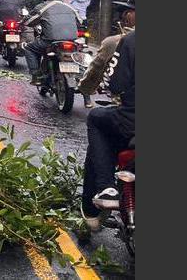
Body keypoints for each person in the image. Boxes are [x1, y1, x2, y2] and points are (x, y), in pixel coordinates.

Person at [79, 12, 135, 232]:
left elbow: (115, 83)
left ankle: (105, 190)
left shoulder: (124, 41)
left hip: (131, 122)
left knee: (96, 118)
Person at [22, 0, 79, 85]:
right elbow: (80, 22)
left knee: (29, 48)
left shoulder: (42, 7)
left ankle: (36, 76)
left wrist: (23, 22)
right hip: (72, 42)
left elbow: (29, 21)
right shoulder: (70, 7)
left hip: (50, 42)